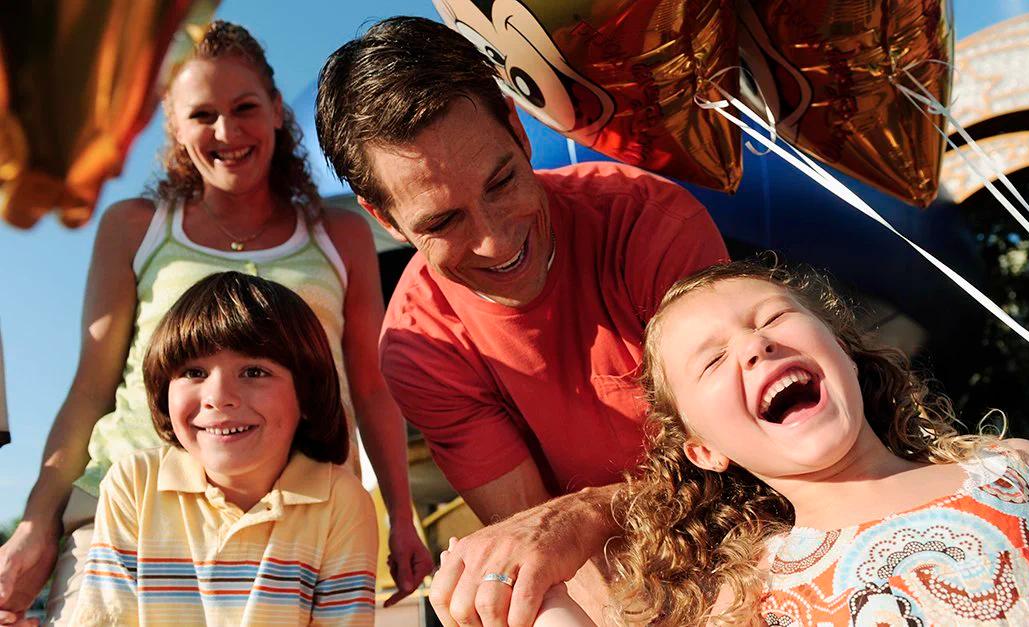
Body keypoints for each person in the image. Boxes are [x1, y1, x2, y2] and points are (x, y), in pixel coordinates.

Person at [0, 22, 429, 627]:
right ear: (173, 126)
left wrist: (403, 520)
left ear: (278, 111)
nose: (227, 131)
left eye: (245, 107)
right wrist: (35, 525)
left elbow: (370, 386)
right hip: (128, 513)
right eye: (202, 114)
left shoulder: (340, 235)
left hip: (297, 522)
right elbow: (90, 389)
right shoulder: (136, 226)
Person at [314, 15, 728, 626]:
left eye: (502, 181)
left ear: (518, 127)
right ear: (386, 221)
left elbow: (744, 468)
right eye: (443, 222)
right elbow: (542, 551)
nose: (493, 240)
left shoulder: (652, 227)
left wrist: (582, 515)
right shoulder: (421, 345)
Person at [606, 260, 1029, 626]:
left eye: (774, 317)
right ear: (704, 450)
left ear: (845, 352)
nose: (755, 345)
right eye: (712, 361)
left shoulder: (1016, 467)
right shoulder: (748, 594)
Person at [74, 272, 377, 625]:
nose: (218, 398)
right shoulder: (133, 484)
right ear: (161, 391)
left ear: (307, 394)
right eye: (193, 372)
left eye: (253, 372)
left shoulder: (342, 501)